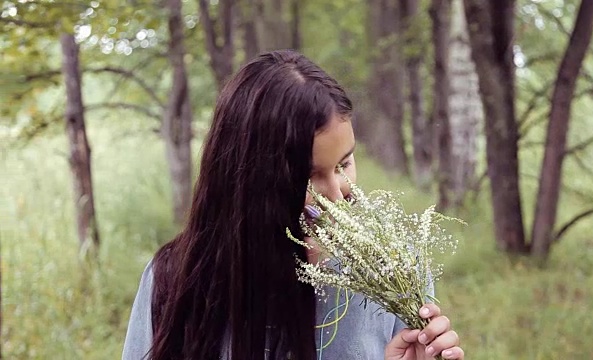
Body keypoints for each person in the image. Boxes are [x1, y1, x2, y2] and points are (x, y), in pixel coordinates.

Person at [122, 50, 464, 360]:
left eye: (344, 164)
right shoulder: (176, 279)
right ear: (250, 178)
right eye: (309, 176)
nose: (336, 194)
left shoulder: (393, 271)